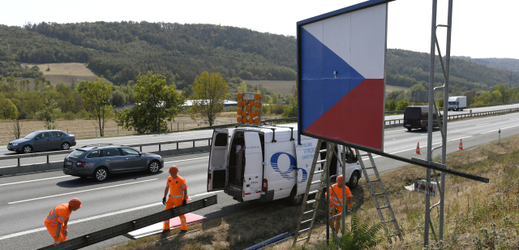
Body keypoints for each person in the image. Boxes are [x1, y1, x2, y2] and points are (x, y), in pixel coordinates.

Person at [162, 165, 188, 232]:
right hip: (171, 198)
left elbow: (185, 189)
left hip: (178, 199)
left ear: (176, 173)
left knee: (181, 214)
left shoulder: (181, 180)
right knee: (166, 213)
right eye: (170, 173)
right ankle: (166, 228)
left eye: (172, 173)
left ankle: (184, 229)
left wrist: (184, 199)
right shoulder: (169, 178)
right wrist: (164, 197)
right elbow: (167, 187)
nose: (171, 174)